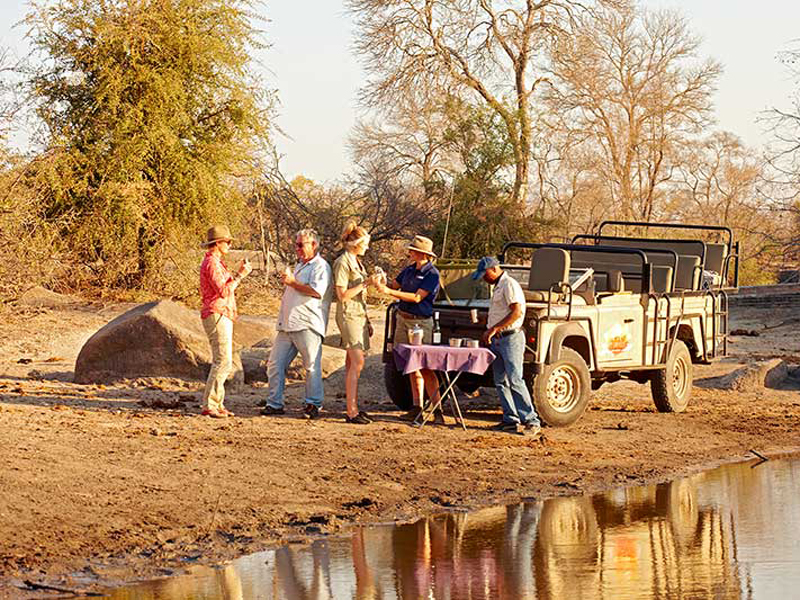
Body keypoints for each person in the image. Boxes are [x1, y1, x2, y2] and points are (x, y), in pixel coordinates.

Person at [262, 229, 332, 419]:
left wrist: (292, 283)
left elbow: (317, 291)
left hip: (307, 323)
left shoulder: (321, 266)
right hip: (287, 324)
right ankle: (274, 403)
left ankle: (313, 403)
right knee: (275, 364)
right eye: (296, 245)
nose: (298, 248)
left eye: (301, 245)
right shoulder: (300, 265)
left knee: (311, 366)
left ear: (314, 245)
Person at [373, 235, 442, 422]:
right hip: (403, 319)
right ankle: (416, 407)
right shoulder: (409, 270)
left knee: (425, 367)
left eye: (413, 250)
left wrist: (389, 292)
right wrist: (381, 282)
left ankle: (437, 410)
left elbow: (417, 297)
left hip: (420, 322)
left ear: (422, 253)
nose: (410, 252)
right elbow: (394, 285)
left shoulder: (432, 274)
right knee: (411, 365)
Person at [472, 256, 541, 436]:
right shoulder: (498, 286)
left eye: (485, 274)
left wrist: (494, 328)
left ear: (494, 269)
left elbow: (516, 312)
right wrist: (488, 322)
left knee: (515, 379)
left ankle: (531, 420)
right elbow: (503, 311)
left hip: (510, 338)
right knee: (500, 381)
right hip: (499, 339)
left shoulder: (509, 284)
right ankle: (510, 419)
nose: (484, 278)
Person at [199, 225, 252, 418]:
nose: (229, 245)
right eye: (227, 242)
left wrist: (237, 274)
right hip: (217, 313)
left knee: (224, 361)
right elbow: (223, 291)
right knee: (222, 361)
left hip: (222, 313)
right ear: (218, 243)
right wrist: (240, 275)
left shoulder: (216, 262)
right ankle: (210, 404)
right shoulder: (211, 263)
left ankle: (217, 403)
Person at [332, 221, 374, 424]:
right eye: (365, 244)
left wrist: (368, 320)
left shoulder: (357, 262)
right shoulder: (343, 262)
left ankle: (353, 407)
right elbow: (342, 295)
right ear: (356, 244)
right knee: (358, 362)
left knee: (352, 363)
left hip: (359, 315)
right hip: (349, 315)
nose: (367, 247)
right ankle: (351, 411)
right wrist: (366, 283)